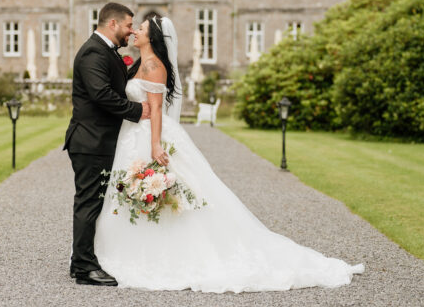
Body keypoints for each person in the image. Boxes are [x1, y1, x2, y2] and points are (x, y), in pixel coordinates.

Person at [94, 16, 365, 292]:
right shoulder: (139, 64)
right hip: (131, 136)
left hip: (147, 136)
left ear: (152, 38)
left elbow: (156, 111)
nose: (136, 31)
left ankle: (158, 254)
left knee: (169, 193)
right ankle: (134, 248)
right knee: (129, 191)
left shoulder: (154, 66)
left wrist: (155, 145)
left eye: (141, 29)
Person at [64, 2, 150, 286]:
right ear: (112, 24)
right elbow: (101, 94)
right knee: (88, 202)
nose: (131, 31)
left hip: (99, 140)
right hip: (89, 141)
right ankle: (85, 267)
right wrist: (138, 111)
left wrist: (147, 57)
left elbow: (118, 83)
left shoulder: (106, 52)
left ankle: (81, 262)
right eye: (128, 25)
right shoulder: (92, 52)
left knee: (95, 202)